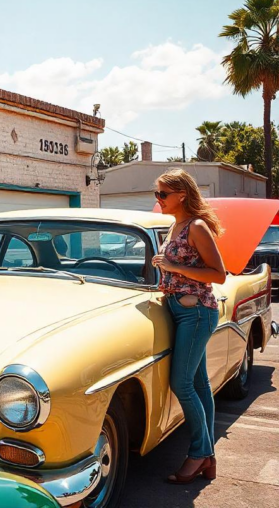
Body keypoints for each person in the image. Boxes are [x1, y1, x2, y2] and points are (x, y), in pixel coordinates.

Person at [151, 169, 226, 485]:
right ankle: (207, 458)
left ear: (182, 194)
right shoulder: (175, 225)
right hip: (181, 311)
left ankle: (199, 454)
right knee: (198, 385)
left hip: (196, 315)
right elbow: (181, 271)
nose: (158, 200)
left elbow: (218, 274)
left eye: (162, 194)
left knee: (181, 384)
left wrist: (172, 266)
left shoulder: (195, 227)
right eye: (157, 194)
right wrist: (165, 274)